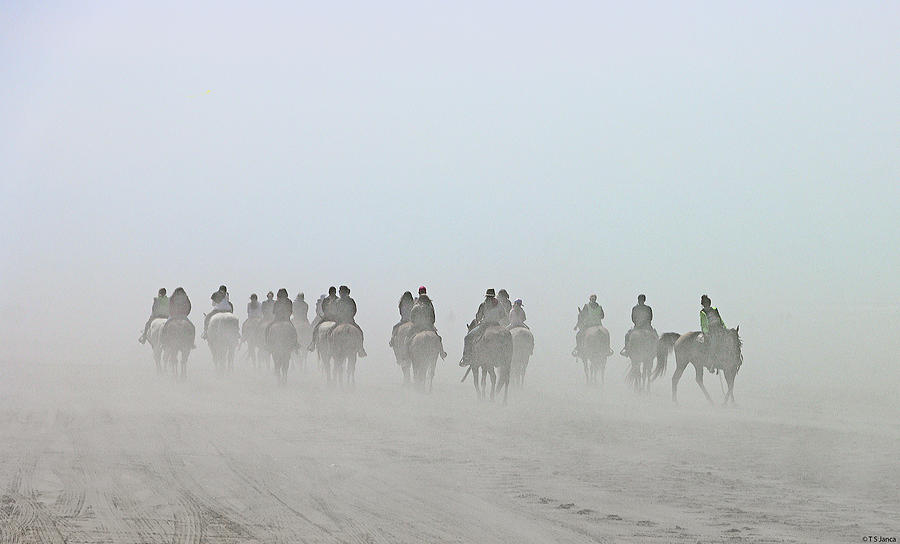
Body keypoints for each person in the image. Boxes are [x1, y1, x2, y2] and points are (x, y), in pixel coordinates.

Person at [461, 288, 506, 366]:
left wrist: (480, 320)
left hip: (485, 325)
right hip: (496, 324)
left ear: (487, 296)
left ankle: (466, 359)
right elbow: (503, 315)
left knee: (467, 338)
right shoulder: (499, 304)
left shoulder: (483, 304)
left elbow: (478, 317)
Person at [404, 286, 447, 358]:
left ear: (419, 293)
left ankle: (405, 356)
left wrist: (416, 323)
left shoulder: (416, 305)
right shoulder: (430, 304)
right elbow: (433, 318)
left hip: (417, 327)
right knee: (438, 338)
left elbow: (412, 318)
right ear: (426, 292)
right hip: (429, 326)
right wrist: (430, 324)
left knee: (407, 338)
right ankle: (442, 353)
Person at [331, 285, 367, 357]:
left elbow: (335, 311)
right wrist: (350, 316)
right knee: (360, 332)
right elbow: (354, 310)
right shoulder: (351, 300)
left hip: (339, 321)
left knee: (330, 332)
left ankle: (332, 349)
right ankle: (361, 349)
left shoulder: (337, 301)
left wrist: (338, 317)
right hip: (350, 320)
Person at [699, 294, 726, 372]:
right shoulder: (703, 312)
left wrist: (725, 328)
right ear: (703, 304)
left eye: (707, 303)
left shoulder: (714, 309)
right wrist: (706, 332)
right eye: (705, 303)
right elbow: (703, 324)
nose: (706, 305)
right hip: (711, 332)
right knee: (713, 344)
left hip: (719, 329)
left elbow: (720, 320)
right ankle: (710, 364)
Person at [308, 287, 338, 351]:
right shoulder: (337, 299)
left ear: (329, 292)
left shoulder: (326, 300)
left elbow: (323, 308)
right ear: (335, 292)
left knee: (316, 328)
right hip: (336, 318)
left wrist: (327, 314)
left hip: (326, 317)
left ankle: (313, 343)